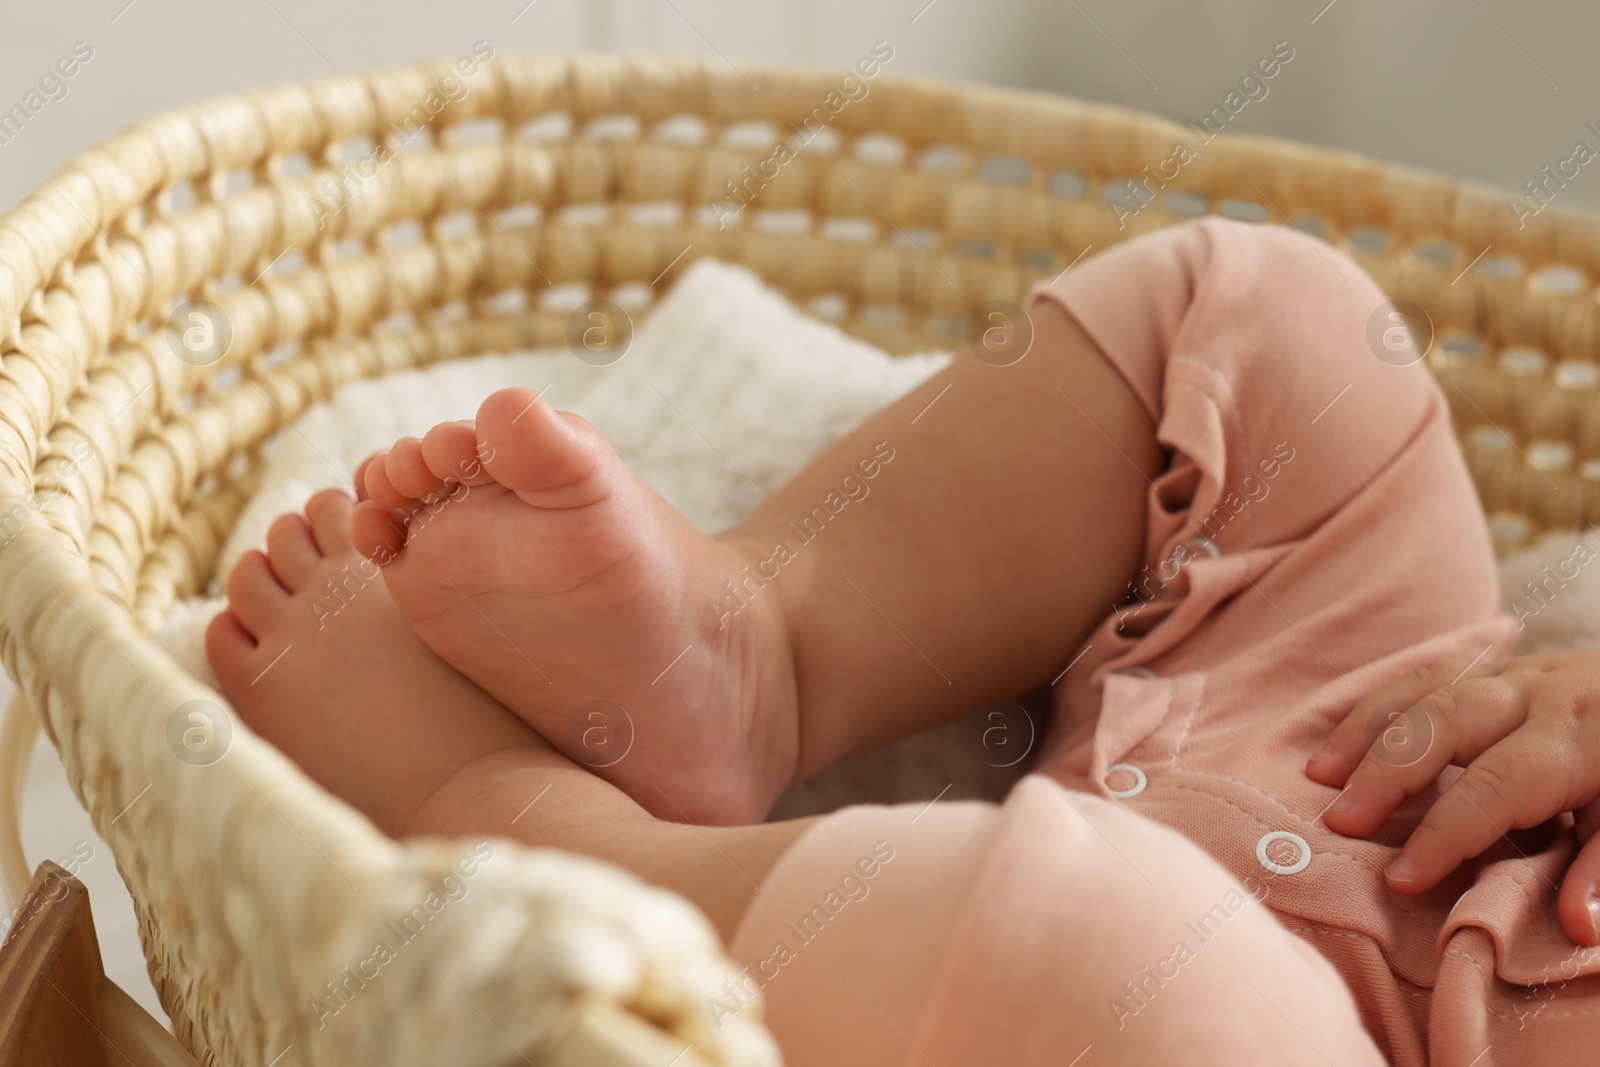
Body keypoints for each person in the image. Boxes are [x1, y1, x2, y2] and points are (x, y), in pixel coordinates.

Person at [206, 219, 1600, 1066]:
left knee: (1104, 967)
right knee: (1284, 332)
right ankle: (760, 655)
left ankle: (504, 815)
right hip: (1380, 734)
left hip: (1279, 1033)